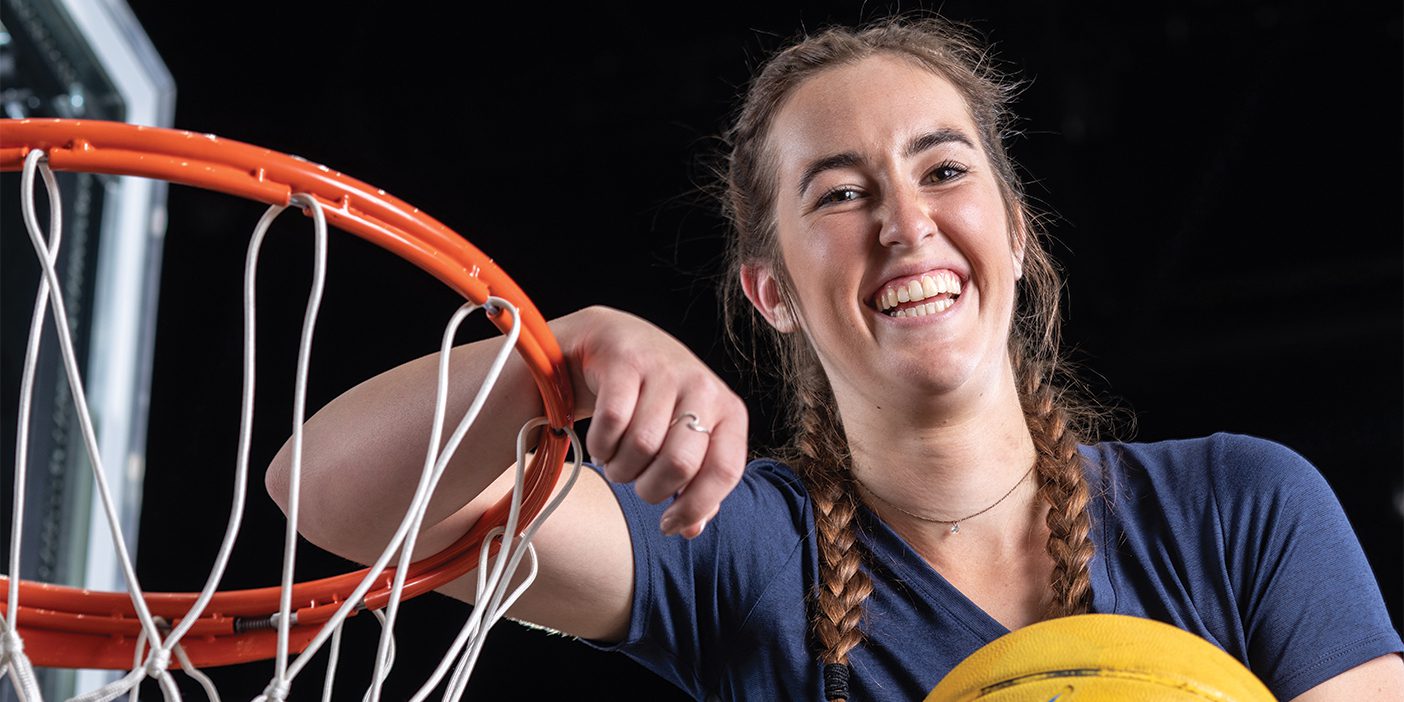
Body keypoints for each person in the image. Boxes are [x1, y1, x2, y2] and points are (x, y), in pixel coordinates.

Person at [266, 17, 1403, 701]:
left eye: (944, 170)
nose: (905, 223)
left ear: (1015, 228)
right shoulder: (746, 552)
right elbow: (324, 490)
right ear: (771, 293)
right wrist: (555, 356)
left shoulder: (1242, 508)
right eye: (843, 194)